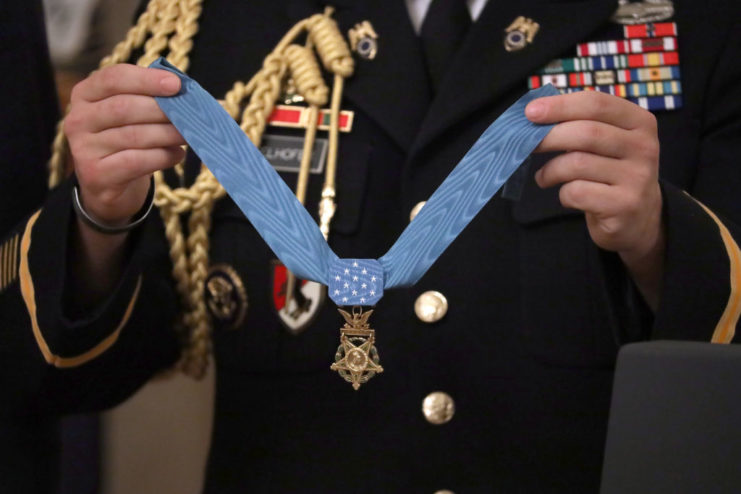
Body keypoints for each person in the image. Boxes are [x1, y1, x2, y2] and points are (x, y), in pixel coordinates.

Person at [2, 0, 739, 491]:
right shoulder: (210, 14)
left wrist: (656, 242)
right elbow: (77, 376)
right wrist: (101, 217)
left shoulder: (703, 22)